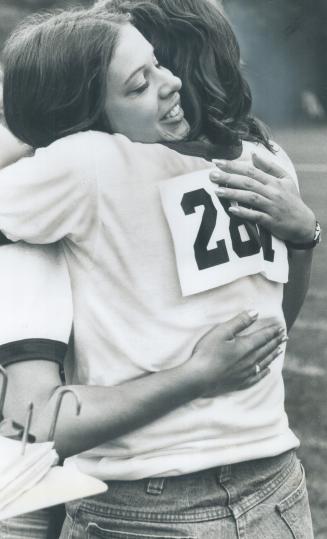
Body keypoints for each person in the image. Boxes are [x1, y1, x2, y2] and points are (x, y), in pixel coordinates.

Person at [0, 3, 317, 538]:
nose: (167, 85)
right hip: (273, 475)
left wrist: (35, 135)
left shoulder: (87, 161)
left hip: (146, 496)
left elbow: (34, 426)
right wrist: (306, 234)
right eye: (139, 80)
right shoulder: (266, 159)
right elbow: (274, 326)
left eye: (158, 65)